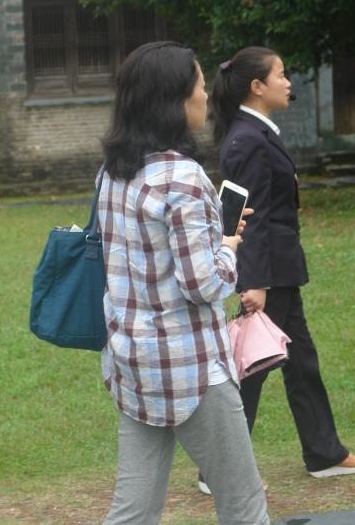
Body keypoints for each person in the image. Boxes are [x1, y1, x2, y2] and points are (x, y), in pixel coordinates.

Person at [100, 42, 269, 525]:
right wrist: (228, 248)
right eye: (199, 86)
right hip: (192, 368)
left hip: (133, 361)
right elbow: (203, 284)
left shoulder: (111, 173)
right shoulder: (183, 177)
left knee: (133, 511)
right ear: (173, 100)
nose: (206, 96)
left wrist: (214, 235)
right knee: (244, 504)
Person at [211, 45, 355, 480]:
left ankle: (324, 453)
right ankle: (220, 470)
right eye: (280, 75)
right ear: (256, 86)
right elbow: (250, 215)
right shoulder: (248, 139)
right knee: (252, 367)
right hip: (268, 273)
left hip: (280, 268)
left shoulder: (257, 133)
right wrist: (255, 282)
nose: (288, 82)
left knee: (300, 363)